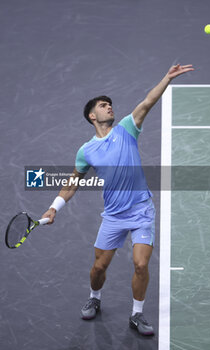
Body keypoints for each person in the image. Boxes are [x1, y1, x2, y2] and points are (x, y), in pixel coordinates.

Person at [42, 64, 194, 336]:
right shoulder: (86, 151)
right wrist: (55, 207)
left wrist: (167, 78)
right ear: (92, 115)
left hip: (141, 210)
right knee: (99, 267)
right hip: (113, 216)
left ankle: (137, 314)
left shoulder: (127, 128)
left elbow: (148, 102)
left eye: (110, 104)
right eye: (103, 105)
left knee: (141, 264)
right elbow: (73, 181)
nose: (109, 107)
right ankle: (95, 297)